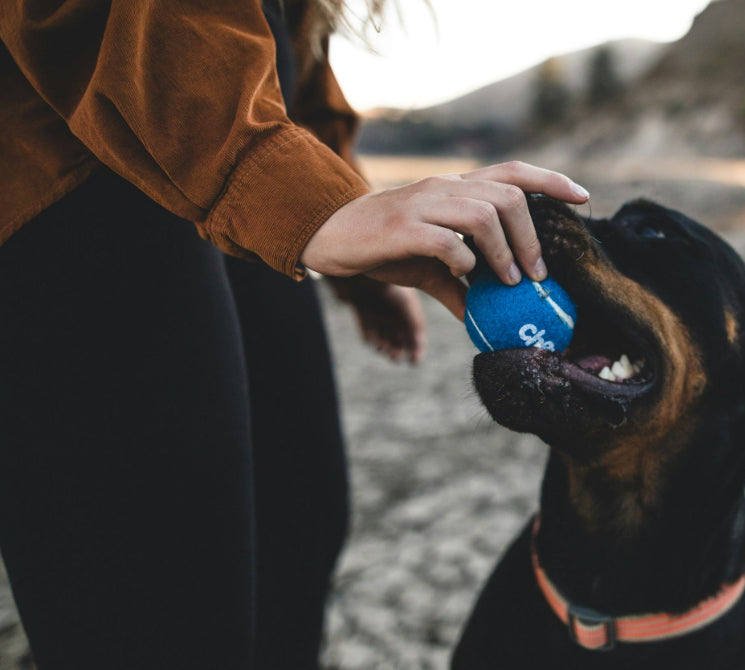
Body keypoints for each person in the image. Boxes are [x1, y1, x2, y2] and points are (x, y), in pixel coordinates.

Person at [0, 1, 588, 668]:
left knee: (299, 525)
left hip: (222, 158)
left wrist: (350, 229)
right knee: (167, 607)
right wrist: (299, 196)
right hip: (70, 174)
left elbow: (292, 59)